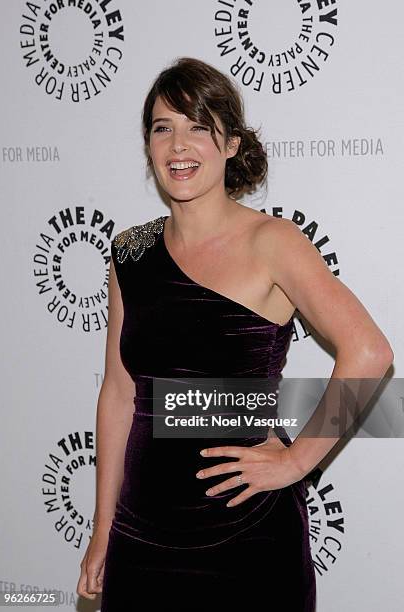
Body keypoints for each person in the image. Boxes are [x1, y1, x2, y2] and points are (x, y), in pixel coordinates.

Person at [76, 57, 394, 610]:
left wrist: (298, 462)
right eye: (162, 127)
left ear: (230, 145)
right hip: (140, 533)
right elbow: (119, 393)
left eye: (199, 126)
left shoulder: (272, 241)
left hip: (249, 536)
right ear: (148, 146)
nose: (179, 145)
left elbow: (370, 352)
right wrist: (103, 527)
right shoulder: (129, 251)